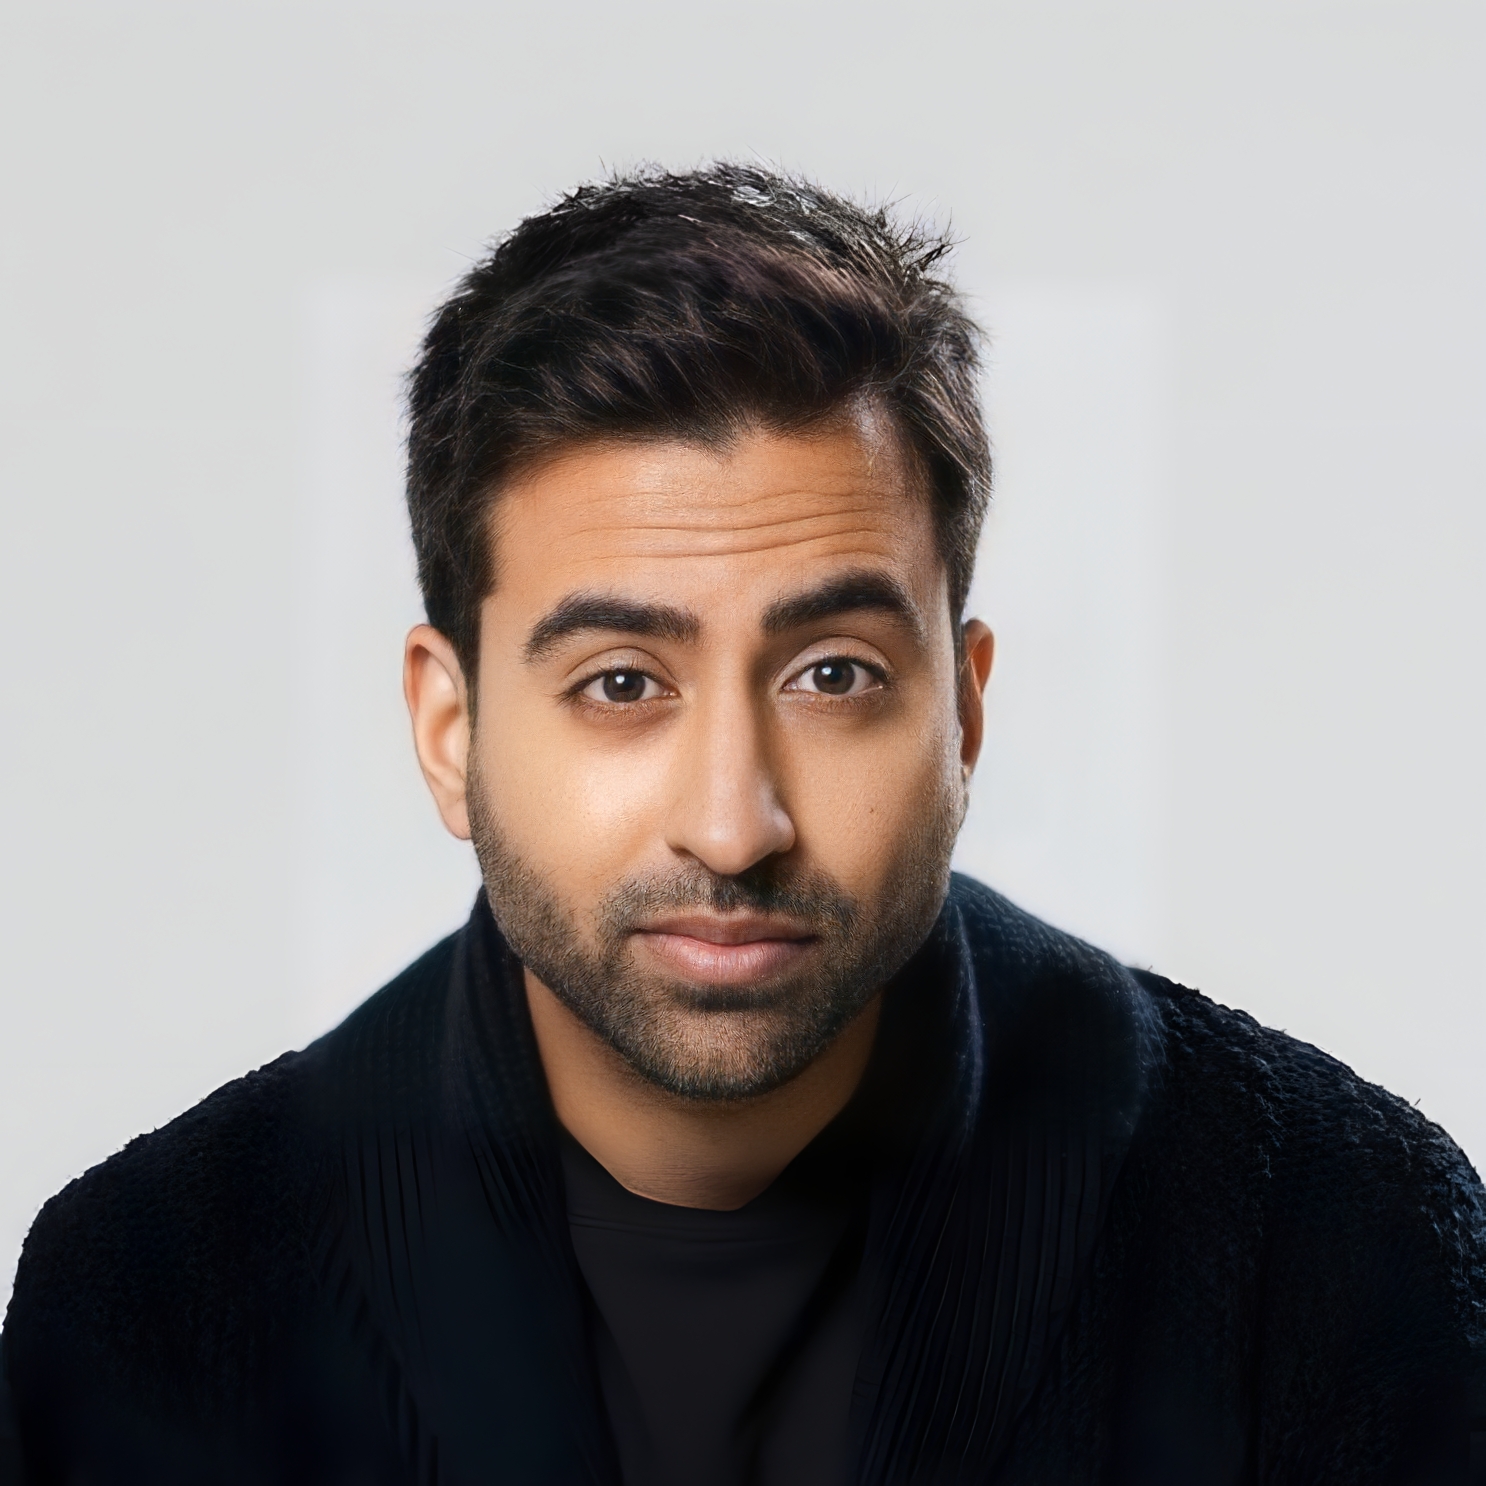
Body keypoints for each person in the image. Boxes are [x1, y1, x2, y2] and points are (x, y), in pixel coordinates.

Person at [1, 164, 1482, 1486]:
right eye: (620, 682)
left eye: (832, 675)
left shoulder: (1336, 1249)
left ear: (964, 713)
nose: (732, 824)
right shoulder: (153, 1292)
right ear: (451, 732)